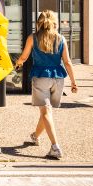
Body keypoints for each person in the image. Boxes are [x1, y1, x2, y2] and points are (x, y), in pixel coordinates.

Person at [15, 9, 78, 160]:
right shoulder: (61, 39)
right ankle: (35, 136)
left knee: (45, 112)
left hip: (41, 77)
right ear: (54, 22)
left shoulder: (33, 37)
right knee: (47, 112)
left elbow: (24, 56)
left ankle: (55, 147)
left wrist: (18, 63)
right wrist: (74, 82)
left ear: (39, 23)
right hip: (58, 78)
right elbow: (68, 62)